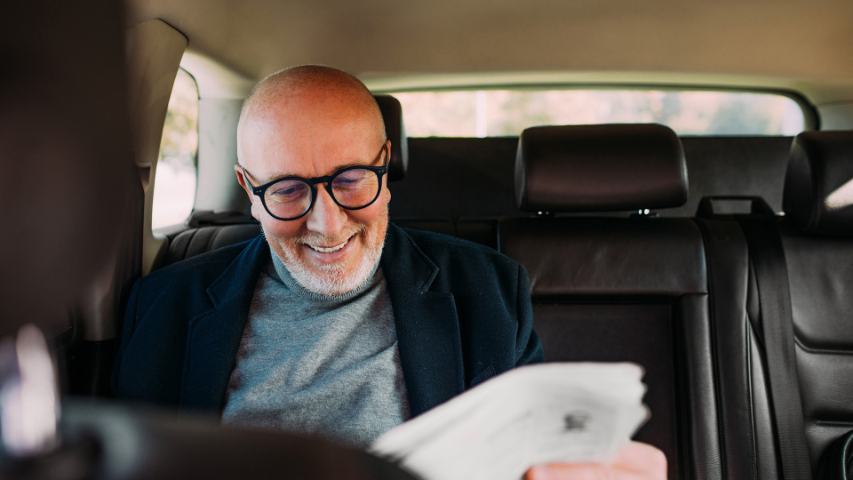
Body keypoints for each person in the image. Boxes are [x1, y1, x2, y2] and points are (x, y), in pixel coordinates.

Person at [114, 65, 666, 480]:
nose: (327, 225)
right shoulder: (167, 305)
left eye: (352, 179)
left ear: (385, 164)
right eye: (286, 190)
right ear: (249, 192)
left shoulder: (487, 292)